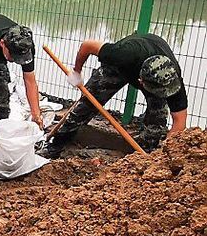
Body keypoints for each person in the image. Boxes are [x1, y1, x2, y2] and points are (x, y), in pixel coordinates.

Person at [45, 33, 188, 157]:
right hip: (122, 66)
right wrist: (76, 72)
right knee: (89, 101)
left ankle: (146, 154)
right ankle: (57, 142)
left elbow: (180, 122)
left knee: (157, 119)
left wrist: (166, 152)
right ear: (140, 82)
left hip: (154, 70)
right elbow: (87, 45)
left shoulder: (171, 80)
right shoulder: (121, 55)